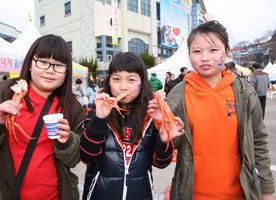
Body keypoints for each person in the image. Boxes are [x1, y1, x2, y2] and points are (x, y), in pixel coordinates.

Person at [159, 21, 275, 199]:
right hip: (191, 193)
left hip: (240, 193)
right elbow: (168, 148)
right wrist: (161, 127)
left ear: (226, 52)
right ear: (189, 55)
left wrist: (267, 188)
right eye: (197, 51)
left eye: (213, 50)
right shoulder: (178, 94)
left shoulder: (244, 92)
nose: (205, 57)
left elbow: (258, 141)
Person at [0, 34, 86, 200]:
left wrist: (67, 142)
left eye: (58, 65)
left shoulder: (73, 109)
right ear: (29, 64)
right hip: (2, 194)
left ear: (66, 71)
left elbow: (73, 161)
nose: (50, 70)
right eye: (42, 62)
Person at [80, 52, 184, 200]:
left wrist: (164, 139)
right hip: (100, 194)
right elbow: (87, 157)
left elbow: (160, 163)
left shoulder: (153, 113)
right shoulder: (99, 108)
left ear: (142, 83)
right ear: (109, 81)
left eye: (131, 80)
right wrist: (99, 120)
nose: (123, 87)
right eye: (116, 79)